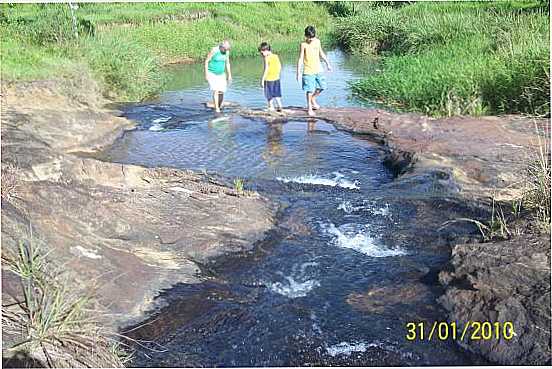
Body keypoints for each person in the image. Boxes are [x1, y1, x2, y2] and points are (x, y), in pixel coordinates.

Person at [296, 26, 332, 117]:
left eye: (312, 37)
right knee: (309, 89)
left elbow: (321, 53)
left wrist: (328, 63)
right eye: (309, 37)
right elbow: (300, 58)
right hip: (308, 71)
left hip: (318, 69)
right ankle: (309, 108)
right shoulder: (303, 44)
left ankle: (313, 99)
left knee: (322, 86)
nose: (311, 39)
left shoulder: (317, 42)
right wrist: (298, 72)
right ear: (306, 36)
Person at [205, 40, 232, 113]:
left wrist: (229, 75)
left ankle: (219, 106)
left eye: (227, 49)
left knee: (222, 91)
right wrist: (206, 74)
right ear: (221, 47)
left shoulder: (227, 52)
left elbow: (227, 63)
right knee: (216, 90)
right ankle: (217, 108)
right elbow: (207, 61)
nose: (226, 50)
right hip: (212, 73)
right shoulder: (214, 50)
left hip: (221, 73)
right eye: (225, 49)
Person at [258, 42, 283, 112]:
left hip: (268, 79)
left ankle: (271, 107)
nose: (262, 55)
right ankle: (280, 106)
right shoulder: (276, 56)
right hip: (276, 78)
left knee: (269, 95)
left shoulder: (266, 58)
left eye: (262, 53)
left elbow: (266, 69)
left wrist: (262, 79)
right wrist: (278, 74)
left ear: (266, 50)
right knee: (277, 94)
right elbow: (280, 66)